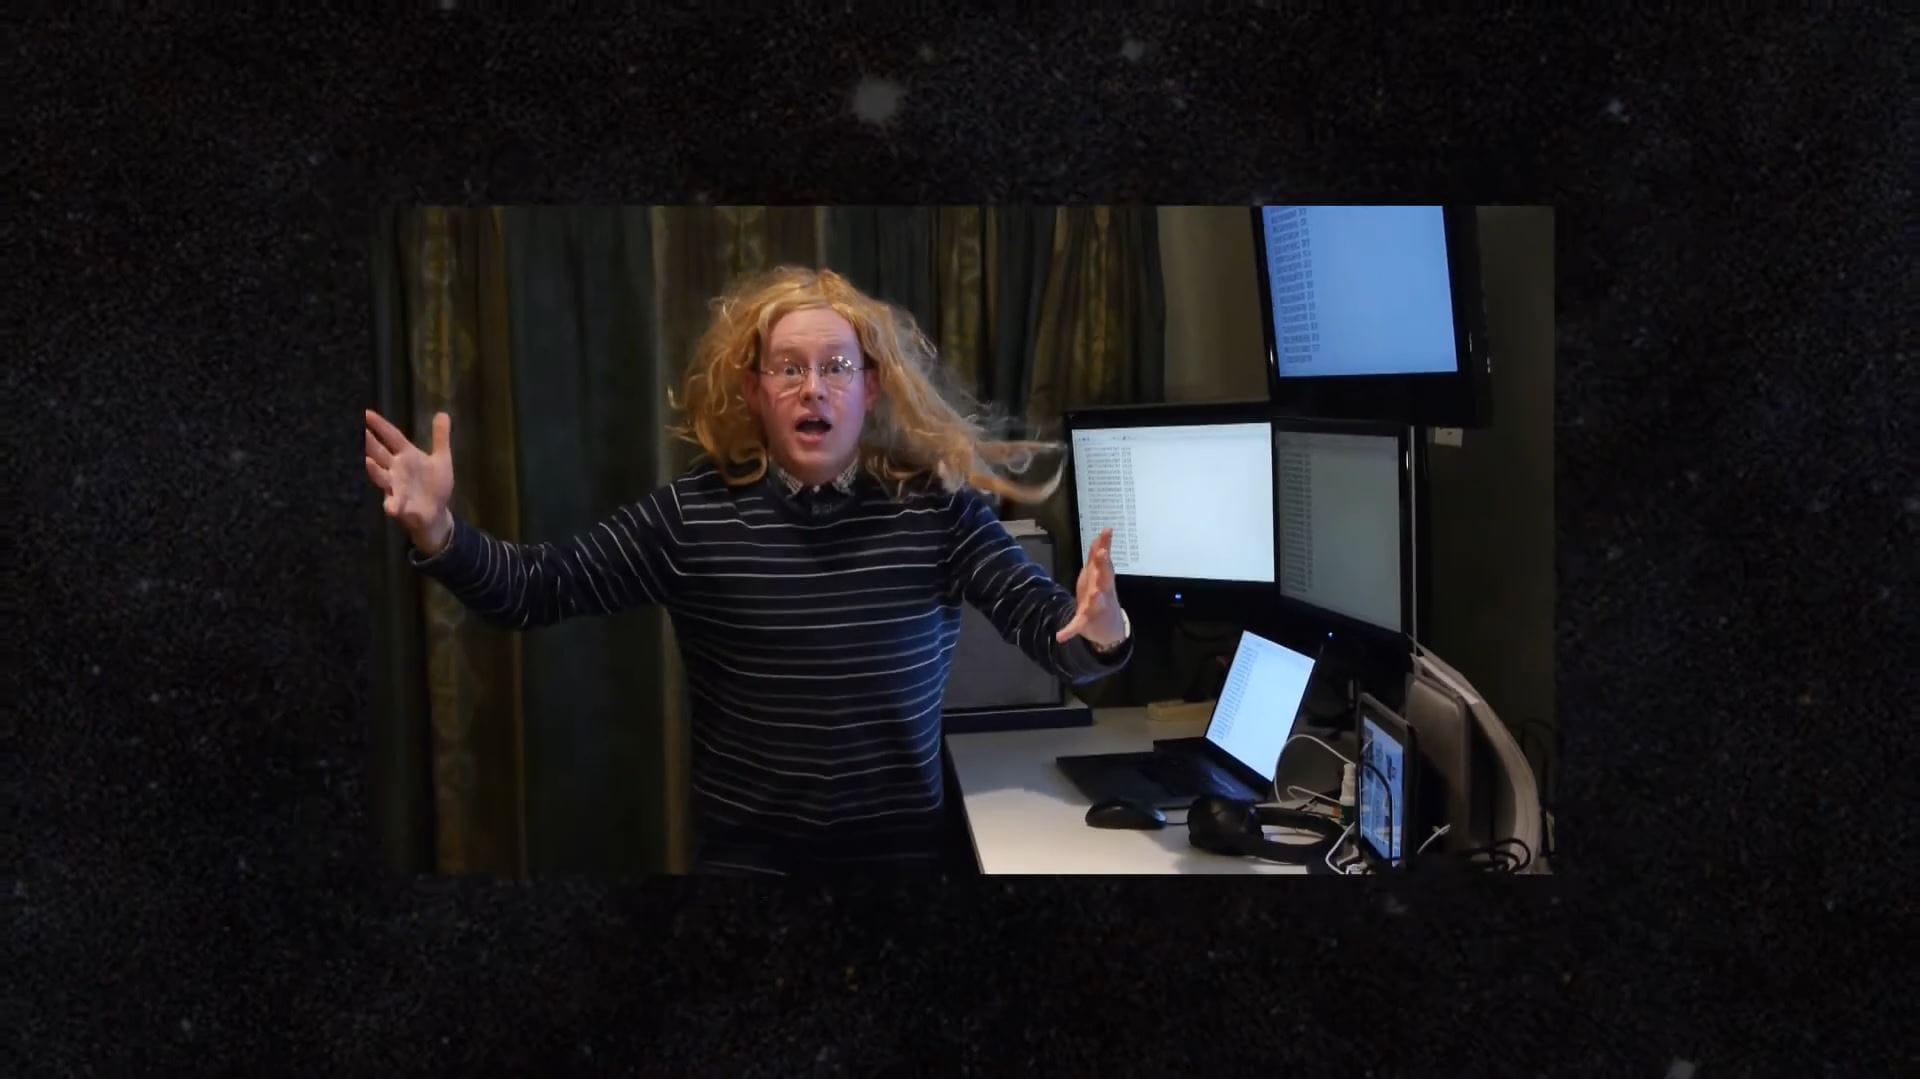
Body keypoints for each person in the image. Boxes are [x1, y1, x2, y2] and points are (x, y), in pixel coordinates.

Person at [363, 265, 1132, 876]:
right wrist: (440, 531)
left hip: (901, 856)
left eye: (835, 366)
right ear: (753, 391)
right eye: (787, 368)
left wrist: (1097, 631)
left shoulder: (936, 510)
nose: (813, 387)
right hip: (750, 860)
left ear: (869, 387)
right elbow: (534, 589)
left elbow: (1050, 629)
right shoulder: (690, 516)